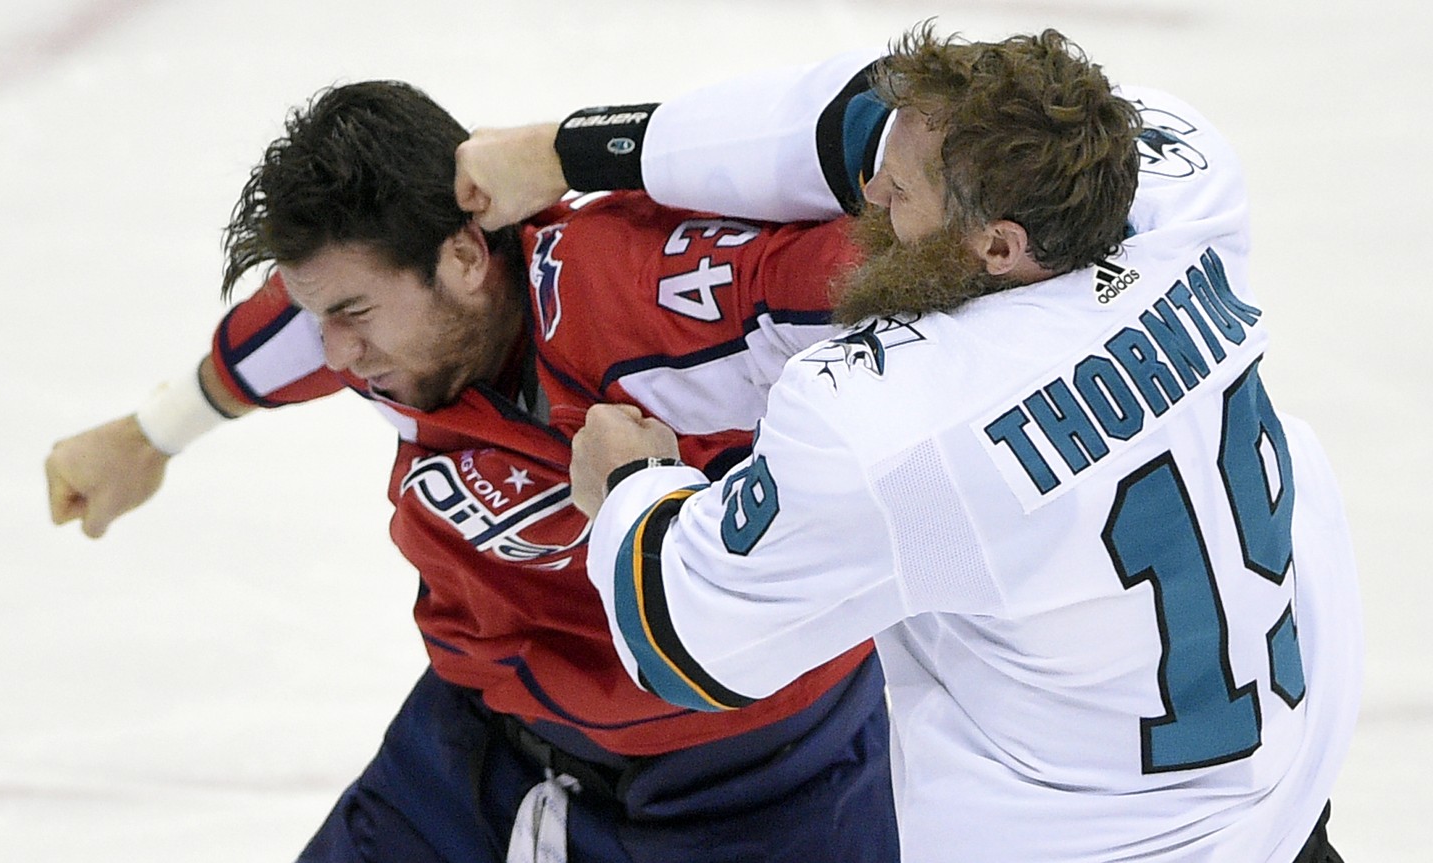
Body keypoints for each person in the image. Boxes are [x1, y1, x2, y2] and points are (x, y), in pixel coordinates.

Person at [461, 22, 1363, 863]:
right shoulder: (1181, 185)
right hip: (1288, 782)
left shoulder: (899, 420)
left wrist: (633, 482)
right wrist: (564, 151)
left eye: (903, 191)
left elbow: (687, 634)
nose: (869, 193)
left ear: (998, 245)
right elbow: (855, 115)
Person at [43, 80, 900, 862]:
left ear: (462, 256)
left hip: (763, 781)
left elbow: (902, 258)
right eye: (321, 316)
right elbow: (274, 338)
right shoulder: (369, 313)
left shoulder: (645, 296)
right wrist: (145, 436)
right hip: (474, 750)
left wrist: (589, 146)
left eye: (352, 314)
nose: (337, 352)